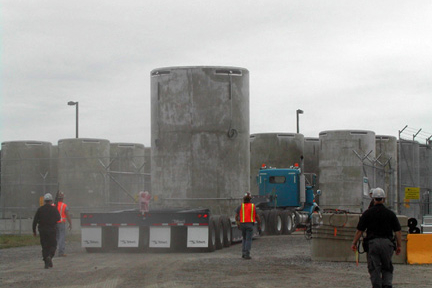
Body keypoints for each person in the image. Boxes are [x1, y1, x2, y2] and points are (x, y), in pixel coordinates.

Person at [351, 188, 402, 288]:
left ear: (373, 199)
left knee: (374, 267)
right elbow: (398, 232)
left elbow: (359, 231)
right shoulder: (390, 214)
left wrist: (354, 243)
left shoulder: (367, 213)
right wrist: (399, 245)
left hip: (372, 244)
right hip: (387, 244)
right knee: (387, 266)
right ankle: (387, 285)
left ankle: (377, 285)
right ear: (384, 199)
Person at [33, 193, 61, 269]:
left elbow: (35, 220)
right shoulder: (54, 209)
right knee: (53, 245)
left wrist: (34, 231)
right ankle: (50, 256)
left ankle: (46, 262)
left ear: (44, 201)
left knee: (44, 246)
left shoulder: (40, 209)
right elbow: (59, 218)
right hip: (52, 230)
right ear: (51, 200)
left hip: (42, 230)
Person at [235, 192, 261, 260]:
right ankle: (247, 254)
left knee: (244, 238)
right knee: (248, 239)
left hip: (242, 225)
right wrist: (259, 225)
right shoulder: (253, 206)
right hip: (249, 225)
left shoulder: (240, 206)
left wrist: (238, 223)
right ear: (250, 199)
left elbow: (236, 216)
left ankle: (243, 253)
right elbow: (257, 217)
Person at [55, 191, 72, 257]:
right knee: (61, 237)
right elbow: (67, 216)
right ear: (62, 198)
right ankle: (61, 252)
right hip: (61, 223)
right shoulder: (64, 206)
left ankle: (53, 250)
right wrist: (70, 223)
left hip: (54, 223)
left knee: (56, 237)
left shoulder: (54, 205)